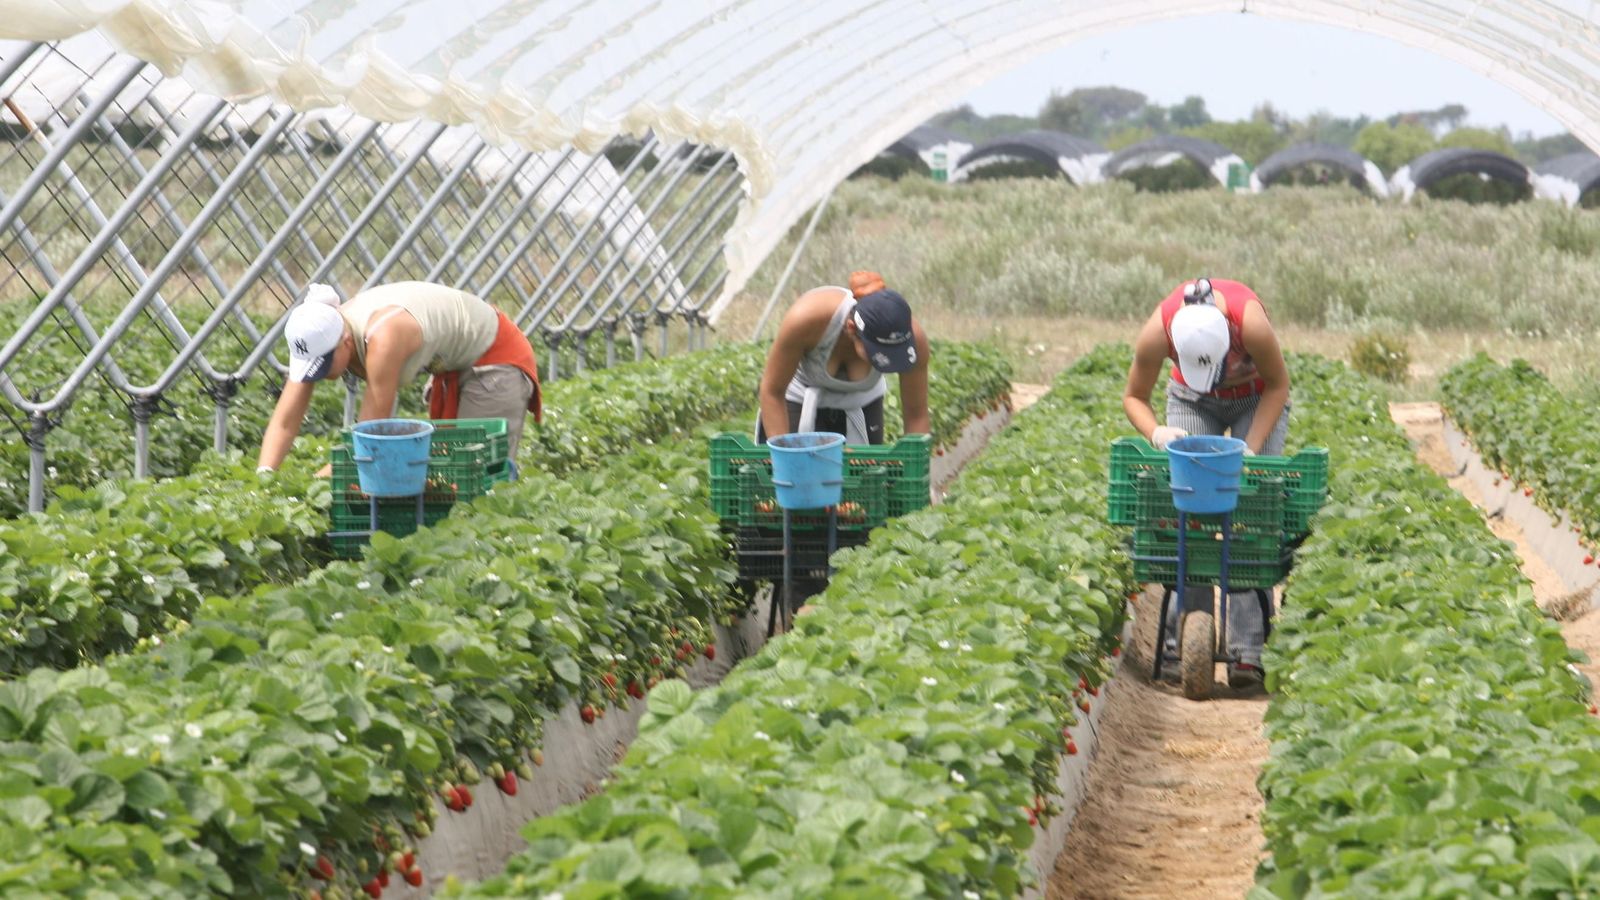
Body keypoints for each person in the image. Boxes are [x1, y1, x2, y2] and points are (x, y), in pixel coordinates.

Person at [1122, 276, 1290, 688]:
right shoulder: (1158, 331)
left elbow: (1279, 384)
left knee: (1252, 510)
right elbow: (1133, 397)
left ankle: (1248, 648)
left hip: (1256, 397)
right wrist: (1157, 433)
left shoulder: (1248, 322)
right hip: (1190, 401)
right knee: (1191, 509)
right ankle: (1182, 638)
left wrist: (1249, 449)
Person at [256, 281, 542, 472]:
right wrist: (265, 477)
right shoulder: (316, 333)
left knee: (477, 470)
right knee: (449, 470)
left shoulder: (383, 336)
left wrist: (317, 484)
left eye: (324, 364)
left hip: (495, 358)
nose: (318, 373)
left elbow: (369, 435)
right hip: (451, 363)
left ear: (345, 342)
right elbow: (284, 422)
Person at [755, 270, 931, 445]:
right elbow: (772, 391)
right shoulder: (807, 318)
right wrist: (783, 457)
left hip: (863, 402)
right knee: (795, 468)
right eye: (880, 352)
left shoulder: (912, 340)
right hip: (799, 399)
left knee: (865, 470)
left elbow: (916, 414)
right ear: (852, 329)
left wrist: (914, 462)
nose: (889, 358)